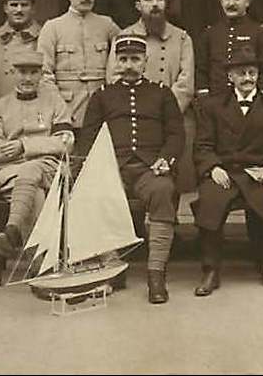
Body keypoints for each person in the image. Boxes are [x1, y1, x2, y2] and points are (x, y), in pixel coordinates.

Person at [78, 35, 185, 304]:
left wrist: (166, 159)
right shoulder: (103, 95)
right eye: (123, 59)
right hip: (112, 167)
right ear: (115, 61)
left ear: (145, 61)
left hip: (150, 169)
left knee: (163, 190)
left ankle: (156, 275)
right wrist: (97, 167)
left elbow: (176, 134)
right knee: (96, 195)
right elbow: (88, 137)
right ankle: (113, 266)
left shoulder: (162, 93)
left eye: (135, 59)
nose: (128, 65)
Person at [193, 45, 263, 293]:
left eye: (252, 72)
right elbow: (203, 145)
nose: (248, 78)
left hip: (260, 172)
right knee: (210, 198)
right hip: (226, 172)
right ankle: (210, 269)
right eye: (241, 73)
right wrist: (213, 168)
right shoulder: (212, 106)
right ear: (230, 77)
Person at [0, 50, 74, 256]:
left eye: (34, 72)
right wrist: (43, 145)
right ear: (12, 72)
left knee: (32, 170)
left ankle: (13, 229)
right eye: (22, 72)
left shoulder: (55, 102)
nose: (27, 78)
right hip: (10, 173)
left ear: (42, 74)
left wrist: (24, 146)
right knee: (36, 193)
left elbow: (66, 142)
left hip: (51, 169)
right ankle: (42, 262)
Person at [38, 0, 121, 131]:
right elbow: (44, 73)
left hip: (102, 108)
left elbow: (124, 56)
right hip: (67, 108)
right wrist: (58, 109)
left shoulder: (107, 25)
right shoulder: (52, 27)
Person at [107, 0, 194, 114]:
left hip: (171, 114)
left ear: (165, 4)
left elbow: (186, 82)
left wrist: (167, 109)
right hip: (135, 113)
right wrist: (137, 107)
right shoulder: (124, 37)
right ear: (138, 6)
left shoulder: (182, 39)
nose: (155, 4)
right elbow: (114, 77)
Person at [195, 0, 263, 98]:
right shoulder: (210, 34)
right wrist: (207, 101)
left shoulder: (260, 33)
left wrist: (254, 98)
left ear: (247, 1)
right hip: (215, 105)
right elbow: (200, 71)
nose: (231, 3)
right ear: (221, 1)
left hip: (251, 105)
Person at [0, 0, 43, 103]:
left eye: (24, 5)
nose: (19, 10)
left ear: (33, 8)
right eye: (13, 5)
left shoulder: (44, 37)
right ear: (5, 8)